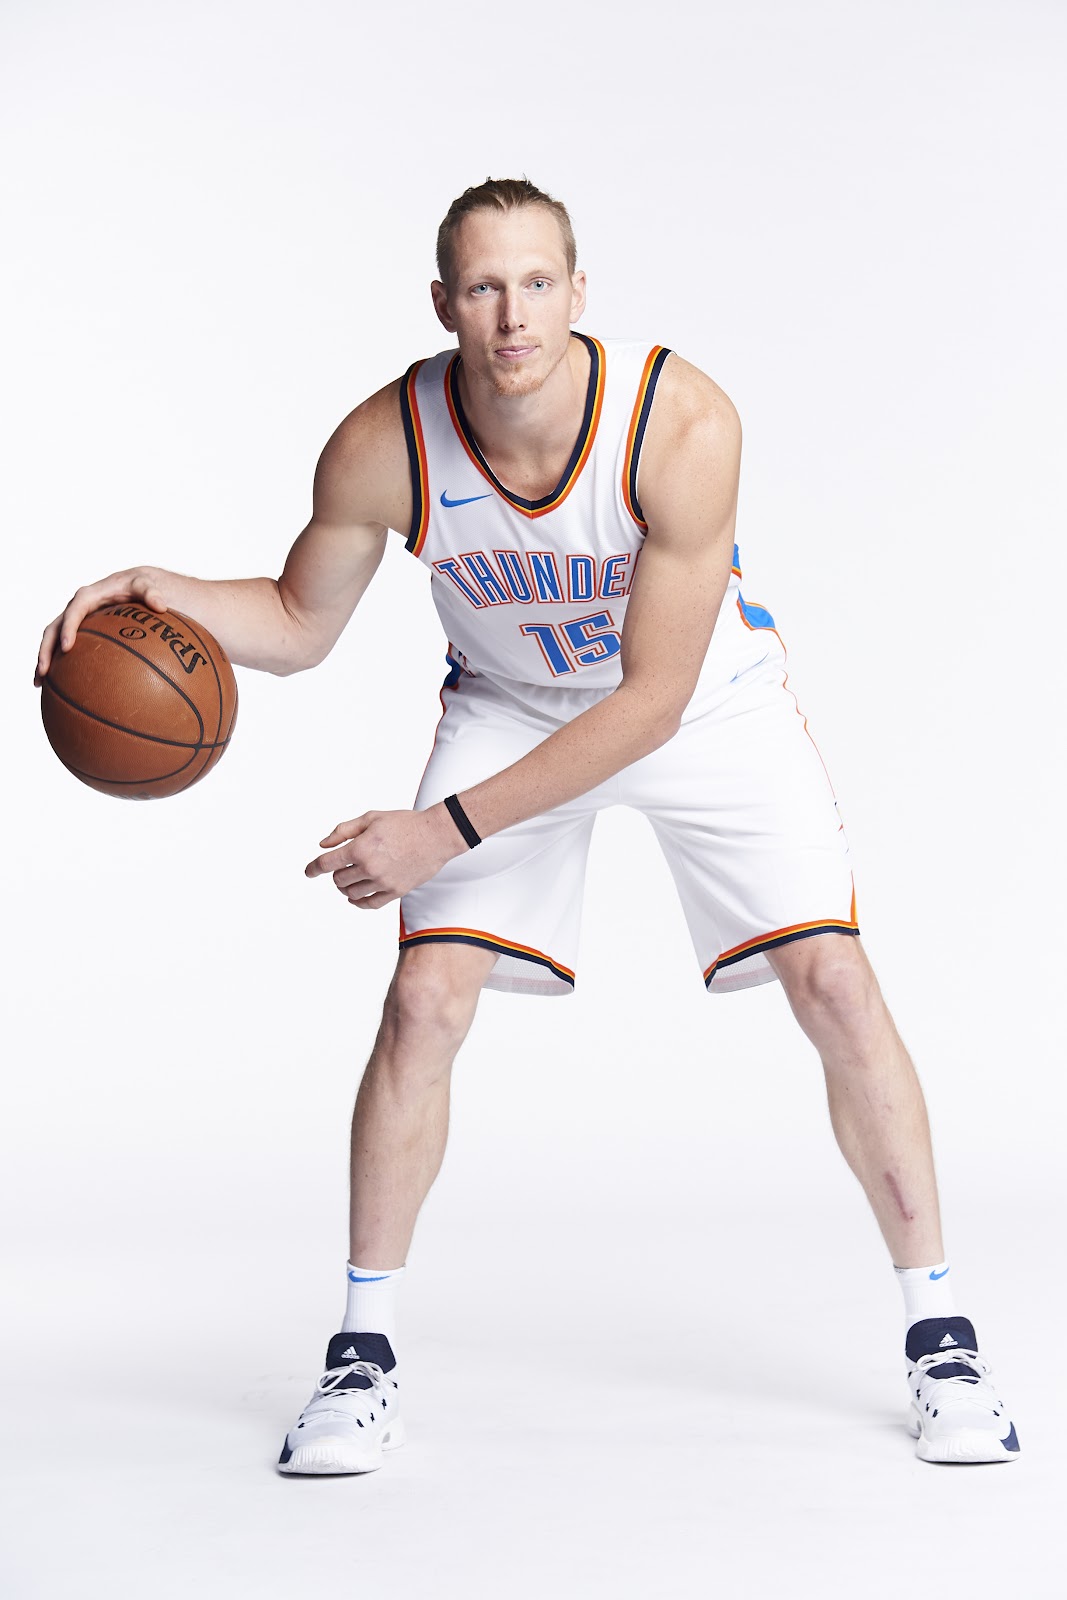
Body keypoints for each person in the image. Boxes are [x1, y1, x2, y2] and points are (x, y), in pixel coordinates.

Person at [37, 177, 1019, 1472]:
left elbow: (654, 698)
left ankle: (941, 1333)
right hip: (506, 704)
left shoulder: (681, 425)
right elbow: (296, 619)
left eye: (537, 283)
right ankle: (361, 1357)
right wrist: (167, 594)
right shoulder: (384, 443)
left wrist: (437, 831)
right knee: (424, 1003)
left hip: (698, 702)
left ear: (580, 290)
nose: (513, 316)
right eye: (485, 288)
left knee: (833, 977)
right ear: (444, 301)